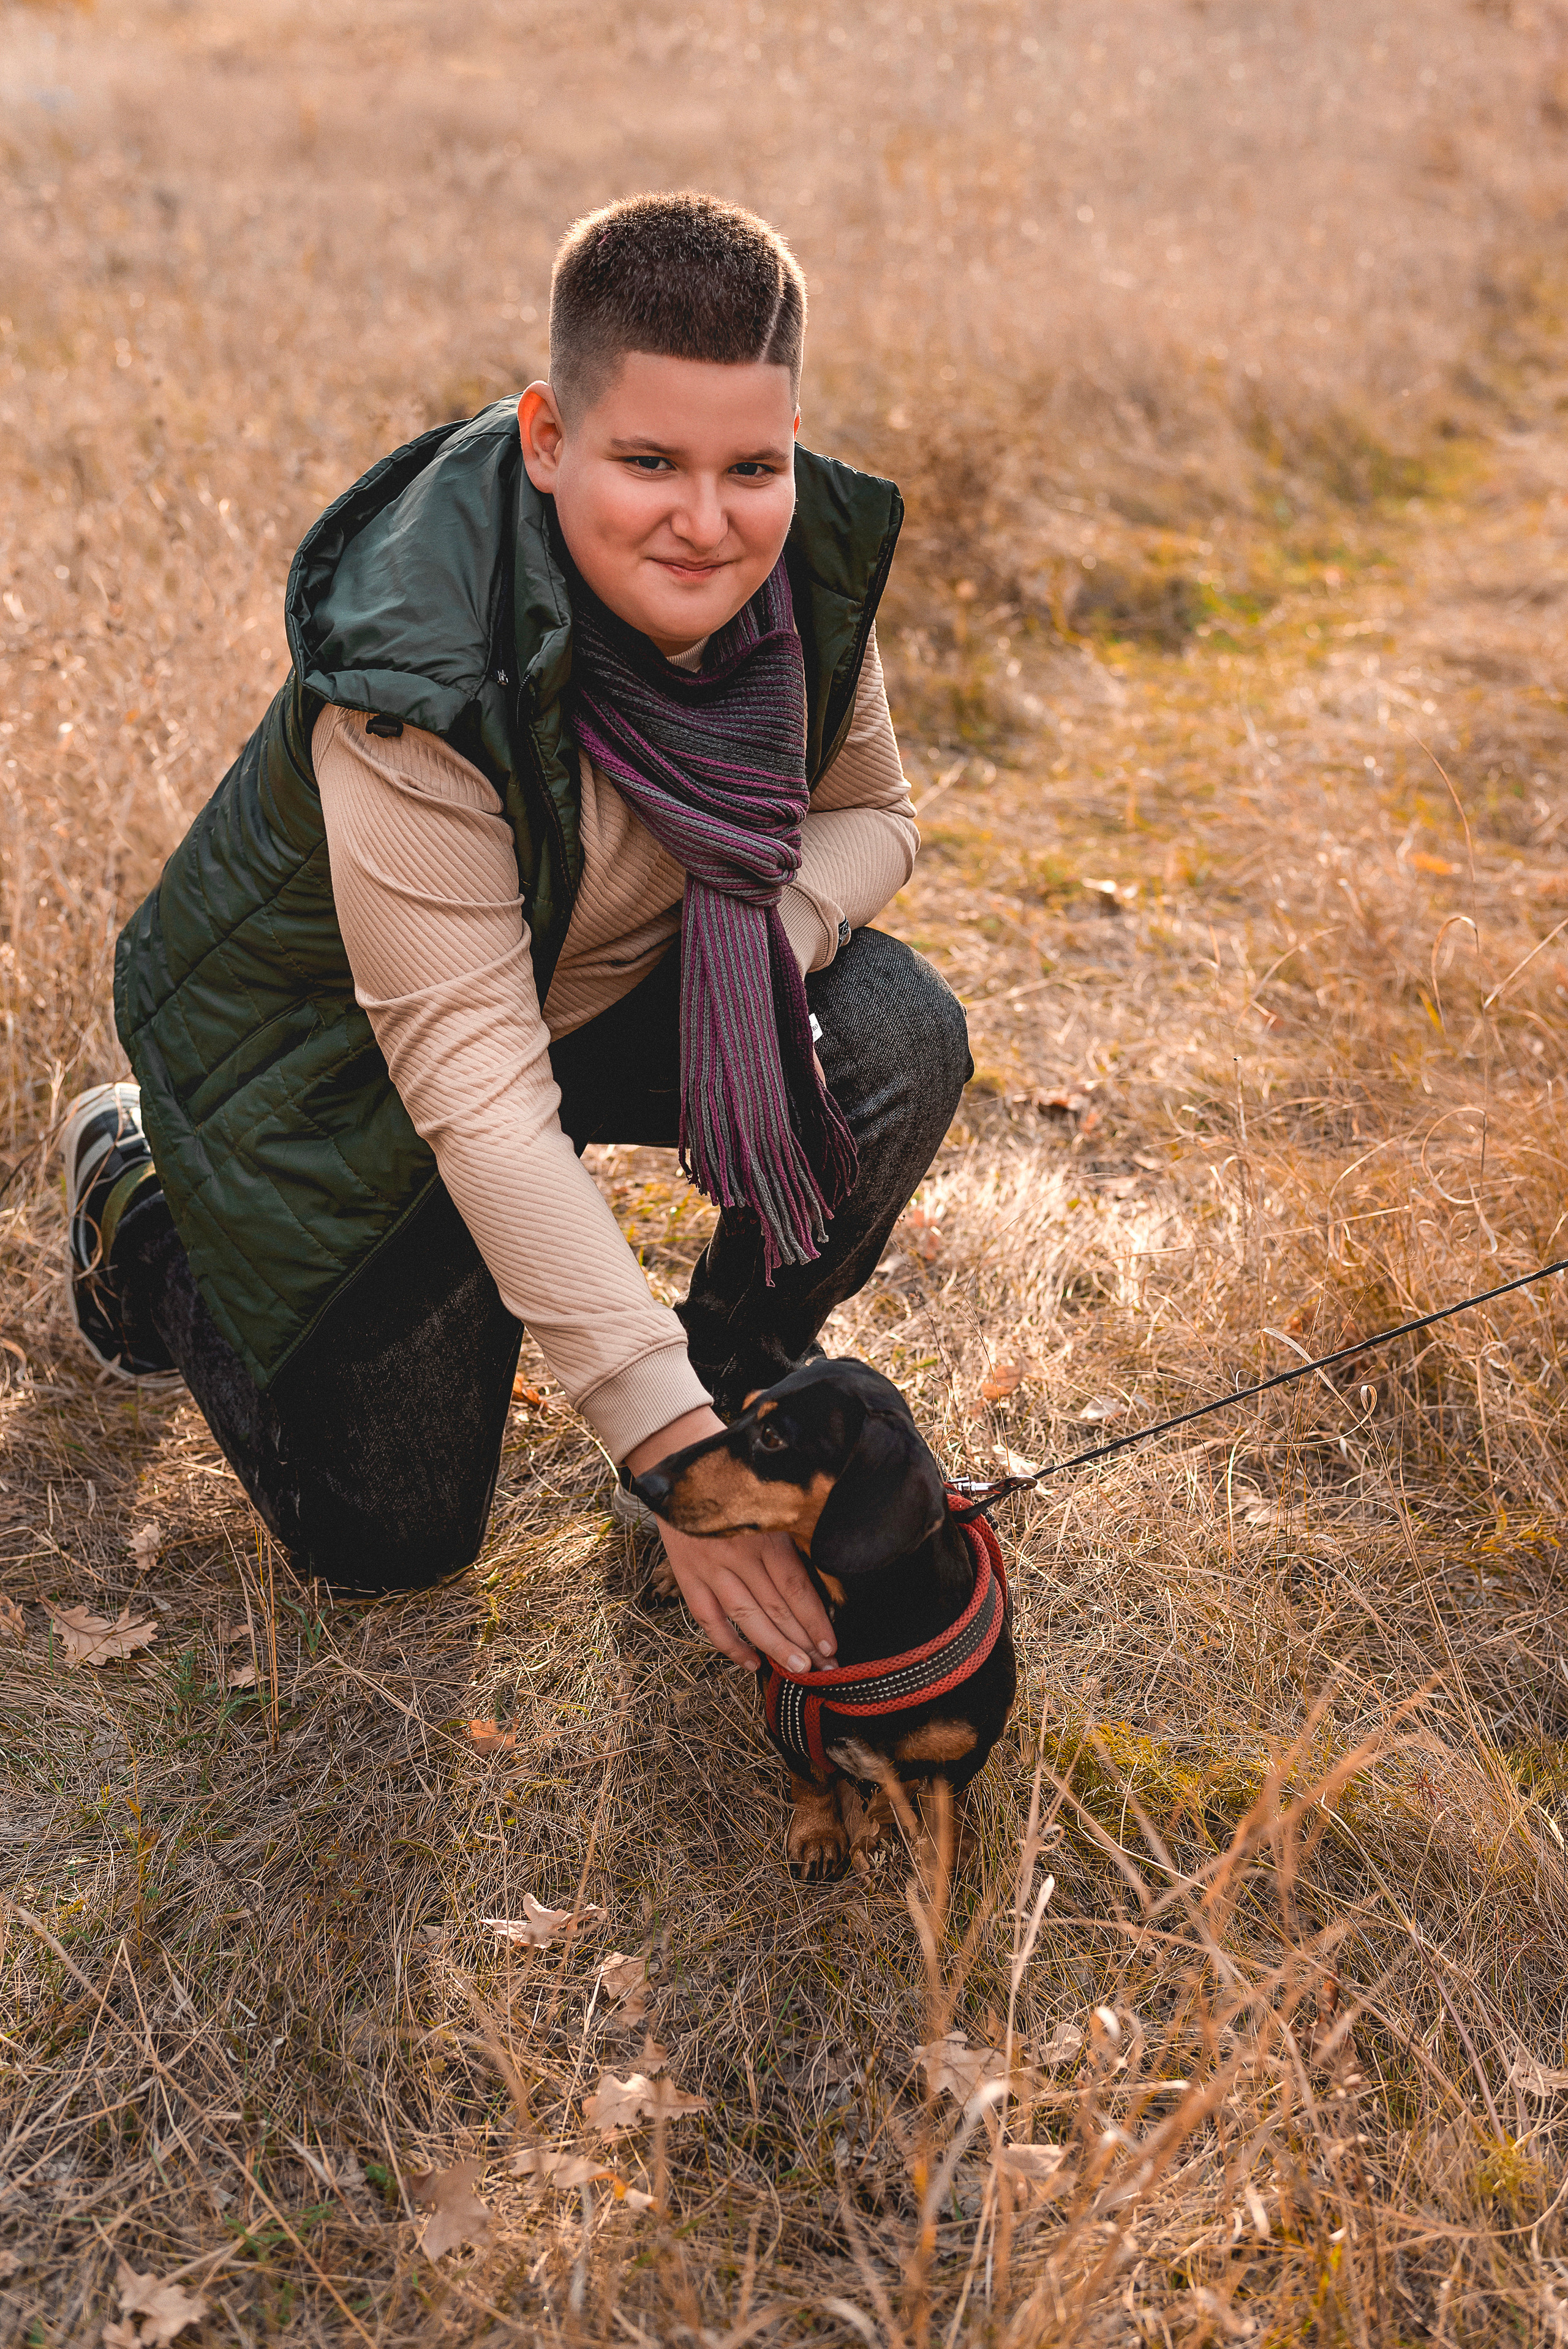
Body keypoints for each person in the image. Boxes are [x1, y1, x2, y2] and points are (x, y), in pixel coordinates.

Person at [61, 192, 971, 1679]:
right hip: (346, 1064)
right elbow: (478, 1094)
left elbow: (874, 812)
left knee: (895, 1035)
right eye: (648, 462)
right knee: (393, 1541)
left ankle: (738, 1381)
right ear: (549, 439)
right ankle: (140, 1194)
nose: (707, 522)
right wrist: (652, 1442)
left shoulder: (796, 563)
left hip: (588, 986)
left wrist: (758, 938)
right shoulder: (414, 679)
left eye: (751, 466)